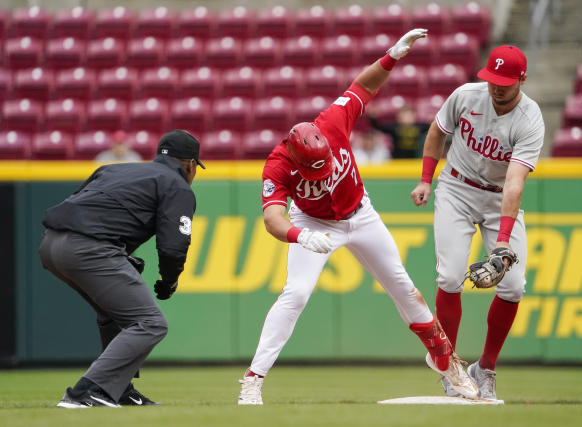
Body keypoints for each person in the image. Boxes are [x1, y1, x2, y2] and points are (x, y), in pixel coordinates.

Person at [237, 29, 479, 406]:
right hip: (313, 224)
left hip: (360, 214)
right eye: (313, 170)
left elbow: (363, 86)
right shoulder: (278, 164)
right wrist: (299, 235)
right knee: (296, 293)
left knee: (404, 287)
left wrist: (392, 56)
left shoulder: (332, 121)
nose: (321, 173)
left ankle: (447, 364)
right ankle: (253, 380)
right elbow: (272, 218)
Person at [410, 45, 545, 400]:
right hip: (456, 187)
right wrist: (426, 178)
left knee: (513, 286)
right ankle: (450, 366)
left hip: (500, 195)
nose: (496, 87)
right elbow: (437, 132)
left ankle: (484, 368)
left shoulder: (530, 119)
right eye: (492, 79)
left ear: (522, 79)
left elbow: (515, 182)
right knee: (451, 276)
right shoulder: (466, 96)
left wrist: (502, 243)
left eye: (505, 81)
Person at [39, 130, 205, 408]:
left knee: (113, 315)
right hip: (88, 248)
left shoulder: (112, 169)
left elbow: (84, 206)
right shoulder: (177, 185)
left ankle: (120, 390)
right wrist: (169, 281)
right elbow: (173, 246)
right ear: (190, 164)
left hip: (51, 244)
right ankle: (87, 391)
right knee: (151, 323)